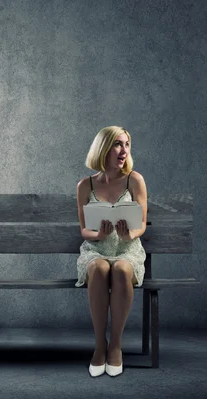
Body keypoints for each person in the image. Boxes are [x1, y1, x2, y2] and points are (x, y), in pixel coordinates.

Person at [75, 126, 148, 377]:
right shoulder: (85, 186)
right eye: (118, 144)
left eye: (127, 144)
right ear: (103, 149)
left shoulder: (135, 180)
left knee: (120, 269)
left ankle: (115, 346)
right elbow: (84, 230)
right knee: (99, 267)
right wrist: (99, 235)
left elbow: (141, 225)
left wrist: (130, 234)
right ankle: (99, 346)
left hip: (127, 249)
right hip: (96, 249)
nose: (124, 151)